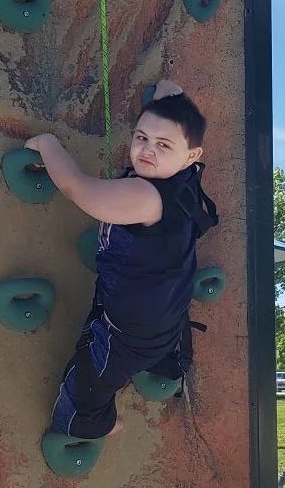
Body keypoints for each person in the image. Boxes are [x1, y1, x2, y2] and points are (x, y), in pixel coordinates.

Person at [28, 80, 219, 444]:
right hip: (167, 305)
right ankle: (161, 361)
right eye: (141, 137)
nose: (147, 151)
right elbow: (171, 110)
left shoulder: (144, 195)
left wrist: (46, 144)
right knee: (156, 343)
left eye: (163, 145)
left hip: (129, 330)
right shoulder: (184, 178)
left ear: (192, 155)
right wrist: (167, 96)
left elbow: (76, 188)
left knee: (86, 382)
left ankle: (94, 424)